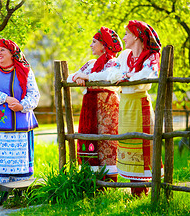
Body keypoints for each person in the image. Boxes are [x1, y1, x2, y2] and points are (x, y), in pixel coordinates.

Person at [108, 20, 164, 196]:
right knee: (128, 142)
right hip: (125, 103)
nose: (123, 38)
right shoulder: (125, 56)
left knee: (143, 144)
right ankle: (136, 192)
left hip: (140, 104)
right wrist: (125, 75)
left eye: (126, 34)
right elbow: (112, 72)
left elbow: (149, 74)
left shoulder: (150, 57)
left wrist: (129, 77)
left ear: (136, 36)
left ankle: (145, 191)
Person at [0, 39, 40, 204]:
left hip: (21, 124)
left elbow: (34, 95)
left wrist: (21, 105)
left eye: (3, 50)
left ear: (12, 54)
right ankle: (2, 193)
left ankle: (21, 192)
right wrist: (7, 99)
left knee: (19, 160)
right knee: (1, 161)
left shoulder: (26, 72)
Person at [68, 27, 122, 183]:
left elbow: (108, 77)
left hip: (107, 107)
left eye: (94, 42)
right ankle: (90, 179)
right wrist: (79, 77)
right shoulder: (91, 63)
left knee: (107, 140)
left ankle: (109, 179)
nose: (91, 45)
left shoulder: (114, 62)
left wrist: (86, 77)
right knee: (91, 138)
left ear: (104, 45)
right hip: (90, 107)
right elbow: (71, 76)